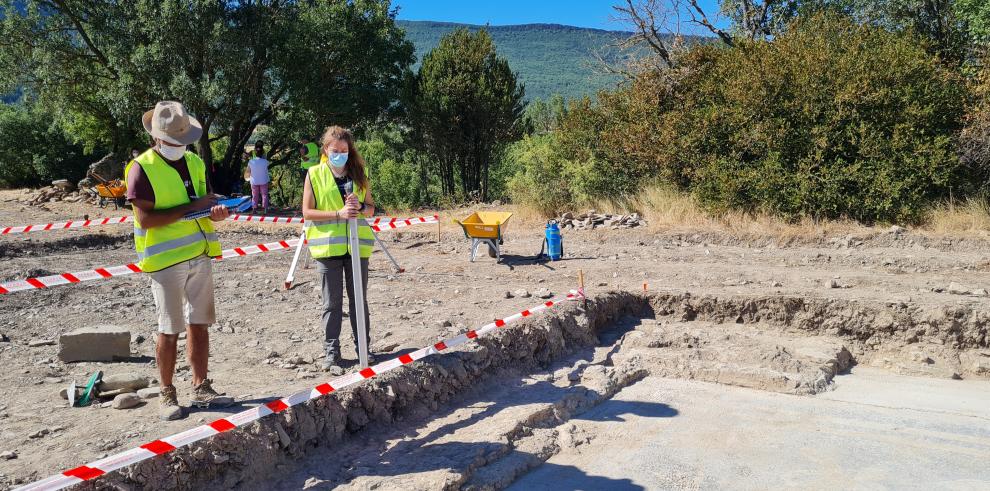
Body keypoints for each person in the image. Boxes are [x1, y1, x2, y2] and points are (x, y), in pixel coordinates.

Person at [125, 101, 233, 421]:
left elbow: (203, 203)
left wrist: (215, 211)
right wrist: (194, 206)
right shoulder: (140, 168)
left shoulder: (195, 163)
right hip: (164, 262)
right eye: (173, 142)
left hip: (199, 254)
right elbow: (145, 219)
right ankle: (167, 392)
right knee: (168, 329)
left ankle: (201, 386)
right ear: (157, 138)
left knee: (199, 324)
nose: (179, 148)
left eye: (183, 142)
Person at [301, 126, 377, 374]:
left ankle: (363, 349)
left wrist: (360, 209)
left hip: (356, 249)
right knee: (331, 304)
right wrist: (338, 213)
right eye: (335, 151)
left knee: (359, 301)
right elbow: (307, 212)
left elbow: (371, 208)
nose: (340, 155)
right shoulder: (314, 174)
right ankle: (332, 354)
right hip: (327, 250)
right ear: (326, 150)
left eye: (344, 151)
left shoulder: (358, 174)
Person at [246, 141, 270, 214]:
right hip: (264, 180)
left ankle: (254, 209)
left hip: (254, 181)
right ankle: (265, 209)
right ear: (262, 153)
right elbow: (266, 168)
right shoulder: (266, 161)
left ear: (254, 153)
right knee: (264, 195)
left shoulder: (250, 161)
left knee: (254, 195)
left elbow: (248, 171)